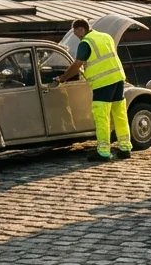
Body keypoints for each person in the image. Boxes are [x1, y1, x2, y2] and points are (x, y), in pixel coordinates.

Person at [53, 18, 131, 162]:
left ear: (81, 29)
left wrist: (63, 78)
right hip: (118, 78)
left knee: (101, 117)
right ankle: (125, 148)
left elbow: (77, 65)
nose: (77, 37)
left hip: (103, 83)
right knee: (120, 114)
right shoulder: (106, 37)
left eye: (77, 33)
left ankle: (103, 152)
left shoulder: (86, 43)